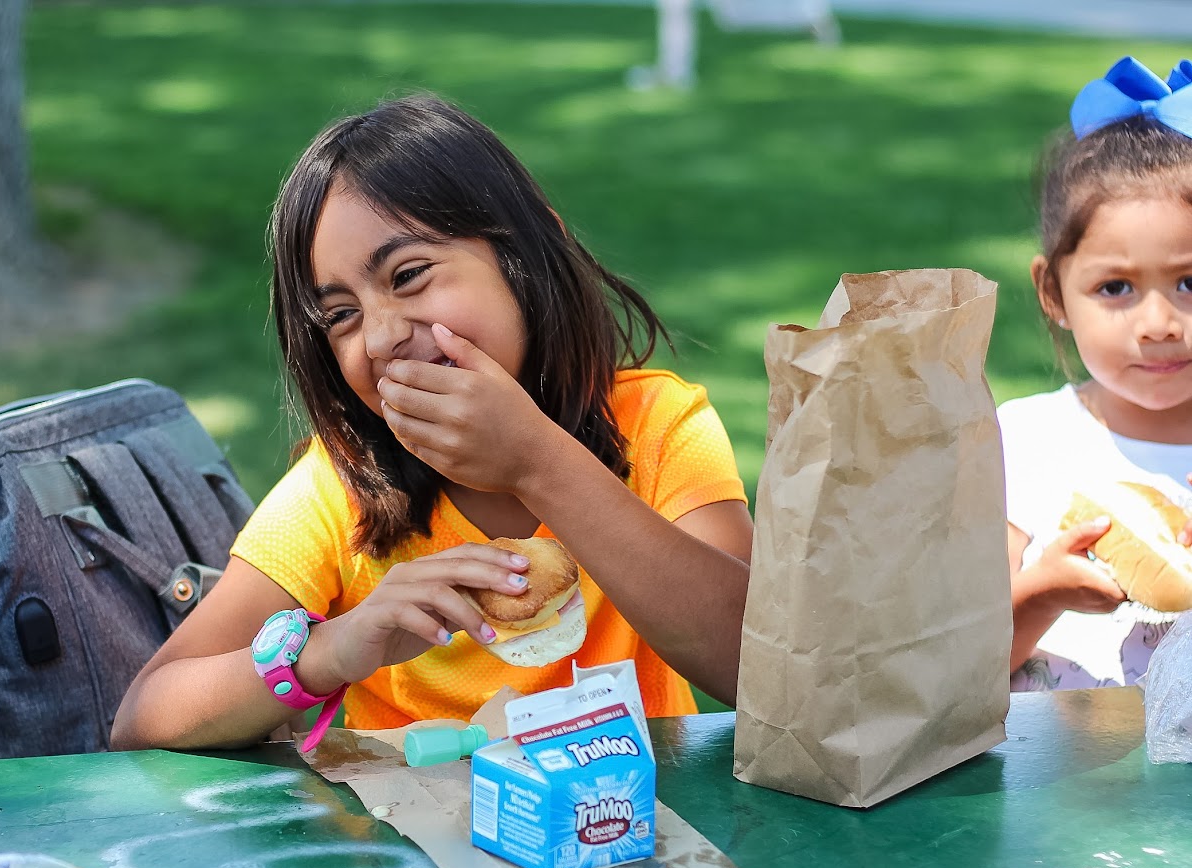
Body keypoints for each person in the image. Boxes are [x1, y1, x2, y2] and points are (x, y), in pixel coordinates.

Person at [111, 95, 753, 751]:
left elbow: (756, 666)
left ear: (529, 253)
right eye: (341, 315)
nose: (381, 336)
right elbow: (144, 717)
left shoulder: (659, 425)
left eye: (410, 275)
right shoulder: (344, 485)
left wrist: (535, 461)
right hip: (413, 817)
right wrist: (330, 651)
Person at [1002, 56, 1192, 691]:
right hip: (1048, 756)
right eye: (1116, 288)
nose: (1159, 323)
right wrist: (1042, 593)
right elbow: (946, 668)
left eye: (1190, 282)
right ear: (1053, 293)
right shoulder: (1022, 443)